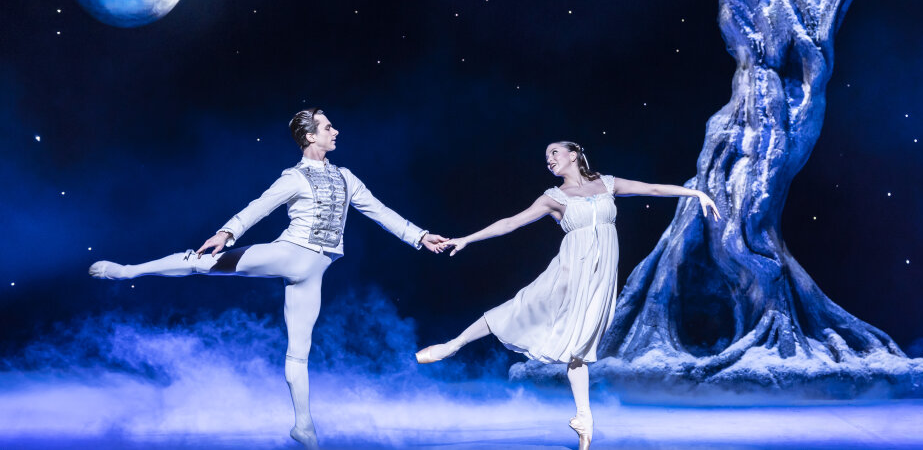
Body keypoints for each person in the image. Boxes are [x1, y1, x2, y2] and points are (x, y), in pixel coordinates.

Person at [89, 108, 448, 450]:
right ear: (309, 136)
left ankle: (304, 426)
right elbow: (259, 206)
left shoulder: (346, 177)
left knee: (299, 352)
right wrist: (227, 233)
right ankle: (128, 271)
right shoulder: (295, 177)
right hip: (289, 253)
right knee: (202, 262)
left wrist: (419, 236)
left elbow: (379, 210)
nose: (335, 131)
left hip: (316, 271)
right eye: (327, 128)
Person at [416, 141, 720, 450]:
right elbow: (511, 222)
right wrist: (468, 239)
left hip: (599, 280)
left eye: (554, 153)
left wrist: (695, 193)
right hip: (567, 273)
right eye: (546, 157)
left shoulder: (607, 184)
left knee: (581, 346)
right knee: (519, 308)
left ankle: (583, 420)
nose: (549, 160)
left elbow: (652, 190)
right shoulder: (555, 198)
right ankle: (451, 346)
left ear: (573, 155)